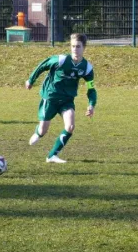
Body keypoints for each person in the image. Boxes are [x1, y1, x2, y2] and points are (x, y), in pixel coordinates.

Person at [25, 33, 97, 163]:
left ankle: (52, 155)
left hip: (67, 100)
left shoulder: (86, 68)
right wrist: (31, 80)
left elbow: (91, 88)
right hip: (51, 97)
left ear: (84, 47)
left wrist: (91, 105)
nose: (75, 49)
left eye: (78, 46)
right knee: (43, 130)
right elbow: (43, 65)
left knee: (70, 126)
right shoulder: (61, 60)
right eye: (73, 46)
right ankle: (38, 133)